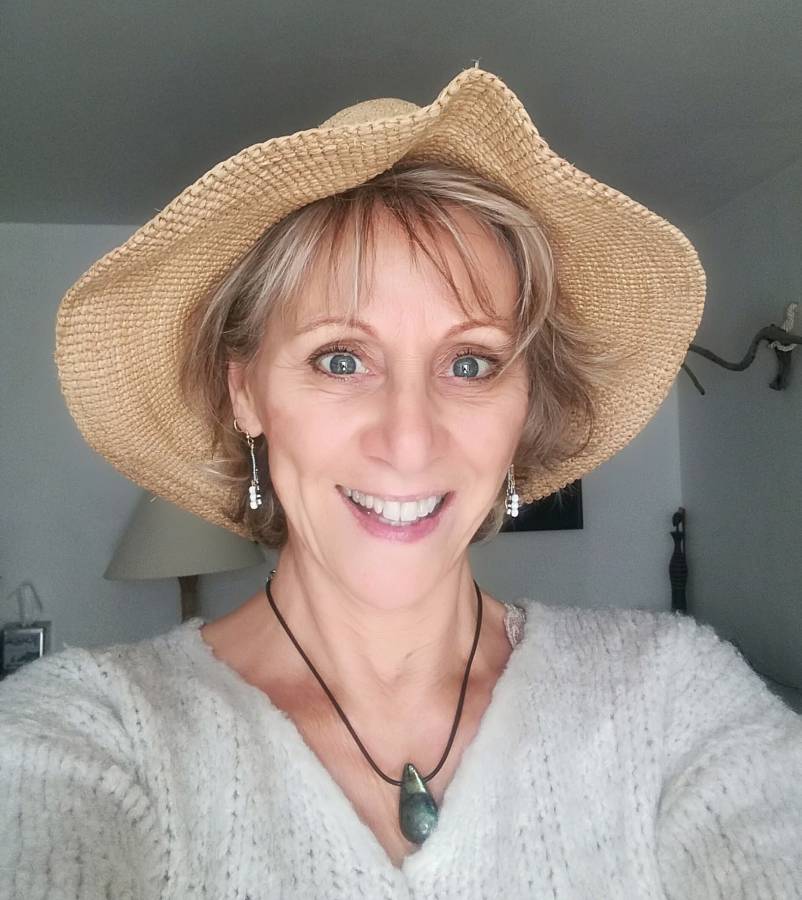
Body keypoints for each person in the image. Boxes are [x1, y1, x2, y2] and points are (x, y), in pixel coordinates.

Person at [1, 65, 800, 900]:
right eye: (341, 360)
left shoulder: (669, 699)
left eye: (471, 362)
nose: (410, 439)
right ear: (246, 393)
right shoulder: (99, 736)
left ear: (526, 405)